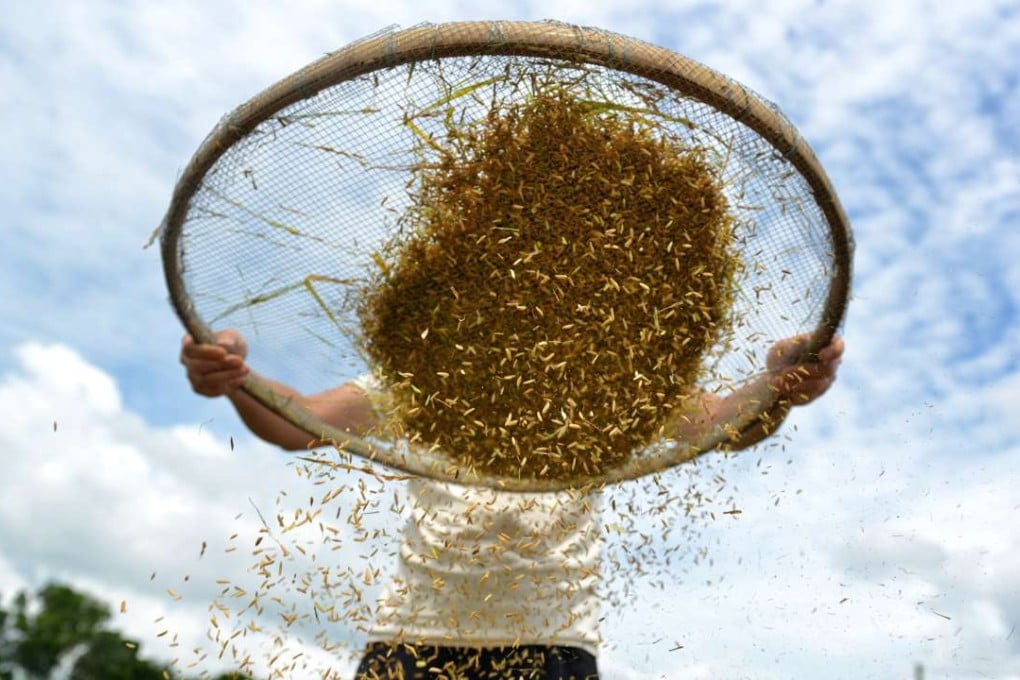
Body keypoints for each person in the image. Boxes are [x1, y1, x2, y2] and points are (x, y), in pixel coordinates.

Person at [181, 329, 843, 679]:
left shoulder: (611, 382)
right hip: (413, 644)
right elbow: (301, 422)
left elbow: (719, 422)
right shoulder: (423, 378)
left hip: (548, 646)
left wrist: (776, 381)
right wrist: (237, 380)